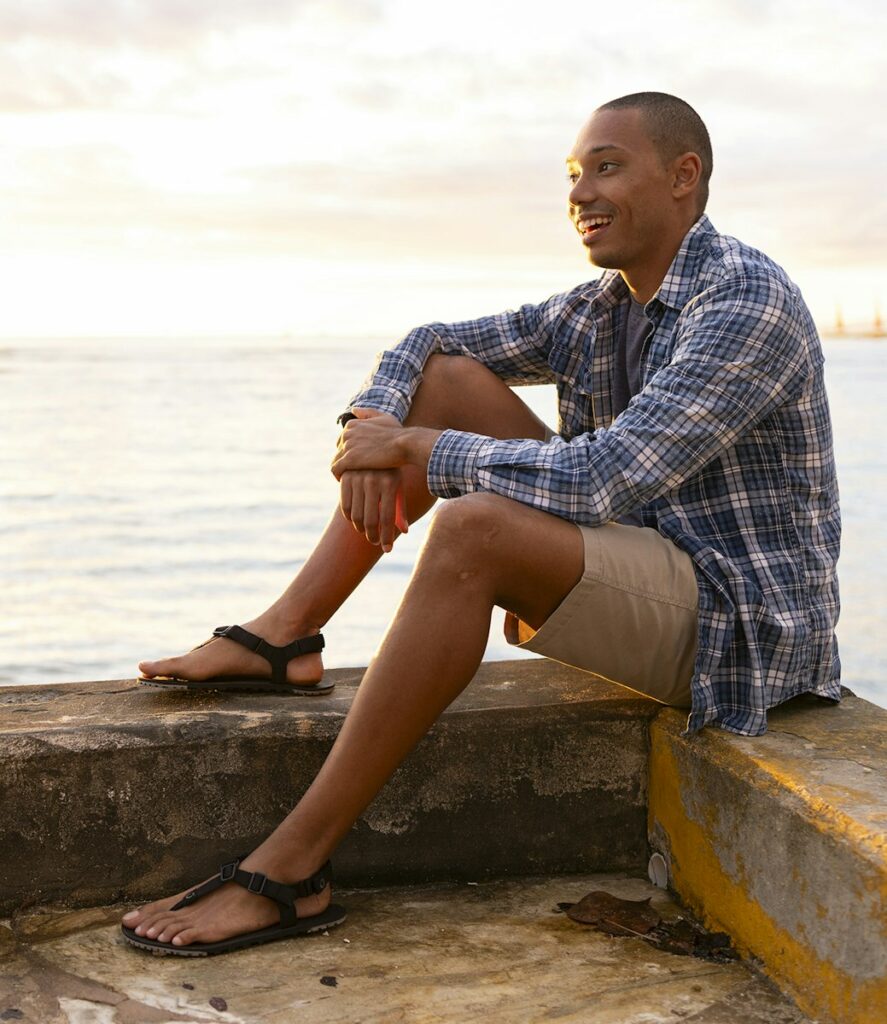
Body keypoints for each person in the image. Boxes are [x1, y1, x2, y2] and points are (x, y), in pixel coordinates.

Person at [122, 92, 841, 956]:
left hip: (741, 628)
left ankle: (291, 870)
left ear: (683, 177)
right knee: (453, 379)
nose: (579, 193)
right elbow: (429, 341)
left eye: (606, 167)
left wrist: (417, 448)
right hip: (652, 564)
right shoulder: (598, 309)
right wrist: (369, 428)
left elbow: (601, 478)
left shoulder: (743, 303)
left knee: (473, 526)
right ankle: (285, 635)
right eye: (574, 176)